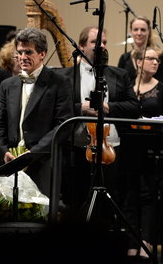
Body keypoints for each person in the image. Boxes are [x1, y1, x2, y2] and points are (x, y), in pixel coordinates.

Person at [57, 26, 140, 224]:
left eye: (103, 42)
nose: (101, 46)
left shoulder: (119, 75)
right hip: (76, 148)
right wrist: (80, 108)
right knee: (76, 200)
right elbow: (55, 108)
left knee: (107, 203)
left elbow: (134, 107)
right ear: (82, 46)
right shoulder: (65, 76)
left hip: (109, 149)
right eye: (95, 42)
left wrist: (108, 107)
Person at [0, 27, 73, 196]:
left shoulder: (59, 82)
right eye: (19, 52)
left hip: (43, 162)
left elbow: (63, 125)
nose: (22, 57)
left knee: (41, 217)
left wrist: (33, 153)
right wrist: (5, 150)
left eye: (28, 52)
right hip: (10, 162)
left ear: (42, 53)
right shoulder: (7, 85)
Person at [124, 47, 163, 260]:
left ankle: (146, 240)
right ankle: (132, 240)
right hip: (128, 144)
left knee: (148, 194)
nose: (155, 63)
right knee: (129, 194)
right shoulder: (127, 85)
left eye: (157, 59)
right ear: (139, 62)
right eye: (150, 59)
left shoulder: (161, 88)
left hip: (151, 145)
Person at [117, 16, 163, 82]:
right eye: (135, 29)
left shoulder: (159, 56)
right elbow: (120, 83)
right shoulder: (124, 58)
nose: (139, 33)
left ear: (149, 31)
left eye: (143, 30)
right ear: (131, 32)